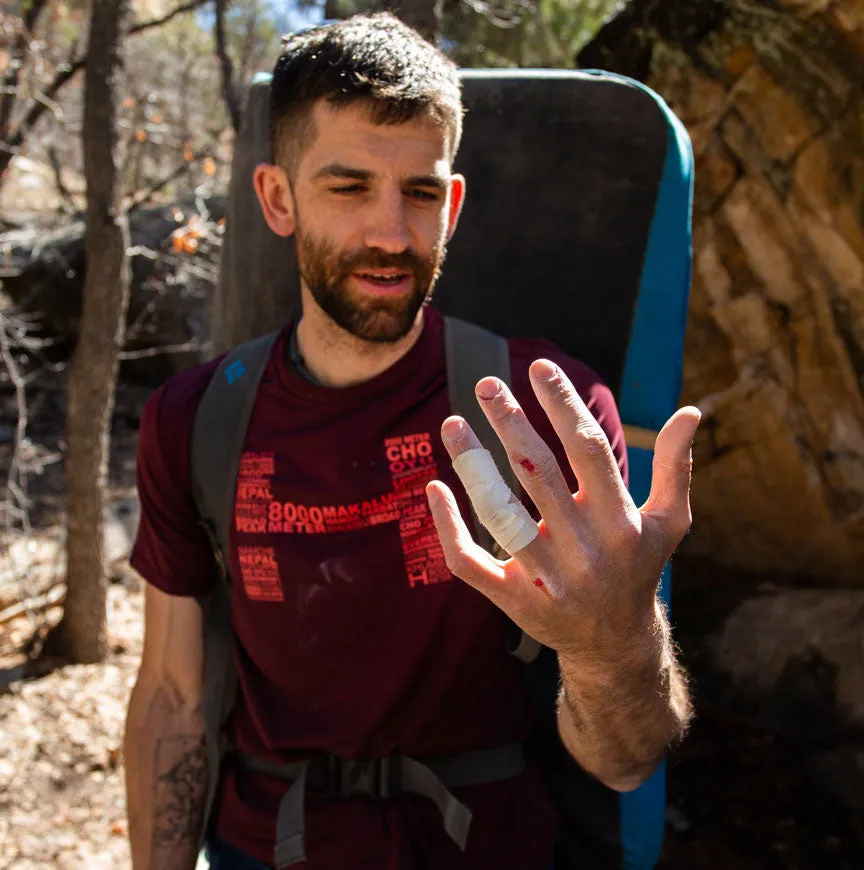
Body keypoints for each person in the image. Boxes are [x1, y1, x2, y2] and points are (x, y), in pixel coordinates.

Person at [124, 13, 699, 870]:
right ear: (278, 200)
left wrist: (609, 640)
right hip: (265, 846)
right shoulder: (194, 421)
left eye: (420, 192)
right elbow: (172, 697)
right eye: (348, 187)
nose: (391, 233)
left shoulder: (549, 415)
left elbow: (625, 760)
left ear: (452, 203)